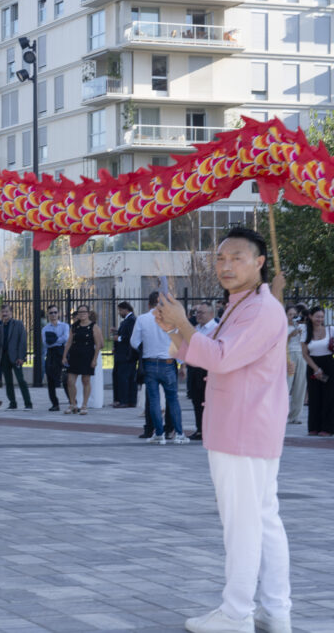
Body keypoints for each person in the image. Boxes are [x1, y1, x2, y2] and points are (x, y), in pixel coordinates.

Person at [155, 226, 292, 633]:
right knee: (263, 519)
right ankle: (274, 610)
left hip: (243, 428)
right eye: (221, 258)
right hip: (246, 426)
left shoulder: (262, 308)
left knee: (244, 523)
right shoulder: (243, 303)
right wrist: (175, 327)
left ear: (259, 262)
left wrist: (182, 323)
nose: (226, 265)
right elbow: (206, 349)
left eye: (236, 257)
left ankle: (236, 613)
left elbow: (222, 357)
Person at [131, 292, 188, 443]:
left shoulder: (142, 319)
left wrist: (146, 349)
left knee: (154, 400)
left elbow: (134, 341)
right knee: (173, 399)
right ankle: (180, 434)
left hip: (150, 362)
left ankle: (159, 434)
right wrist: (182, 364)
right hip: (168, 362)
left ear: (149, 304)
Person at [61, 305, 104, 415]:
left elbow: (99, 344)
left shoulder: (94, 327)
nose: (82, 314)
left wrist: (94, 359)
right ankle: (72, 404)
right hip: (75, 355)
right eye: (80, 312)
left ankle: (84, 405)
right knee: (70, 381)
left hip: (87, 355)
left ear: (88, 313)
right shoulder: (74, 326)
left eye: (84, 312)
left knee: (85, 380)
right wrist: (64, 356)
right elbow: (69, 342)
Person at [186, 303, 218, 441]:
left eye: (202, 313)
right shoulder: (196, 329)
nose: (198, 315)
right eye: (197, 312)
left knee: (209, 401)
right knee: (196, 400)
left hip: (208, 370)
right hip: (194, 369)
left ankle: (212, 430)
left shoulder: (216, 330)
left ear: (211, 314)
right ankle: (200, 429)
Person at [301, 306, 334, 437]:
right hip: (312, 365)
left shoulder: (330, 330)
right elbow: (305, 354)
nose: (319, 319)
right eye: (317, 316)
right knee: (314, 397)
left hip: (329, 364)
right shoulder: (305, 331)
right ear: (310, 316)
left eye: (321, 316)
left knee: (329, 397)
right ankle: (314, 427)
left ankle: (327, 427)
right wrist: (316, 369)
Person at [0, 305, 33, 409]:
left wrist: (21, 357)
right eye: (3, 312)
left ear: (11, 312)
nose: (4, 314)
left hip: (16, 358)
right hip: (4, 358)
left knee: (21, 380)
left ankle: (28, 404)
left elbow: (23, 341)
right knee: (8, 382)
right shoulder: (0, 327)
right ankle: (12, 403)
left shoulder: (18, 324)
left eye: (6, 311)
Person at [42, 304, 69, 411]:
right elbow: (46, 343)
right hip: (51, 354)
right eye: (51, 313)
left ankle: (72, 401)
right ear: (48, 315)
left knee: (65, 379)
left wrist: (53, 339)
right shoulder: (45, 328)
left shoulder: (64, 326)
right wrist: (58, 339)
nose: (53, 314)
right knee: (50, 380)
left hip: (62, 353)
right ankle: (55, 404)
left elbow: (66, 338)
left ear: (59, 313)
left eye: (55, 312)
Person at [111, 301, 138, 408]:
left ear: (126, 309)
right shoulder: (127, 321)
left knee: (124, 378)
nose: (119, 313)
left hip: (126, 355)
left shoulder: (131, 320)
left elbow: (131, 336)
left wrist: (119, 338)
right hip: (122, 354)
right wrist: (117, 331)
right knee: (122, 377)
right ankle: (125, 400)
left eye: (120, 310)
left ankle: (125, 400)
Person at [285, 306, 306, 426]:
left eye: (294, 314)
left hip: (301, 355)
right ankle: (282, 414)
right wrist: (290, 335)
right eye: (290, 314)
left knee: (300, 385)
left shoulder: (301, 326)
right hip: (289, 355)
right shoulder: (283, 326)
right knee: (287, 384)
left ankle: (295, 415)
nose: (292, 317)